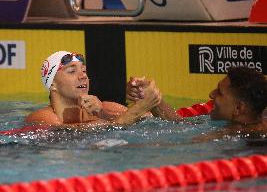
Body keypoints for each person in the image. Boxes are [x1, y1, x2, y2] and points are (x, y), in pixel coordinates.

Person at [25, 51, 180, 130]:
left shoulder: (105, 108)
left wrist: (152, 101)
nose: (82, 77)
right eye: (72, 71)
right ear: (52, 84)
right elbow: (71, 136)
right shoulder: (42, 118)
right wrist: (137, 110)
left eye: (84, 71)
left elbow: (177, 125)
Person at [128, 66, 267, 139]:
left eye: (219, 92)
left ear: (238, 108)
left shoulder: (235, 134)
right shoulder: (238, 126)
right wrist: (154, 99)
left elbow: (183, 142)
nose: (211, 94)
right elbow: (180, 124)